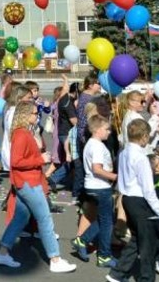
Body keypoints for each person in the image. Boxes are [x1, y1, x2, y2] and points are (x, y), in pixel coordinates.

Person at [0, 101, 76, 273]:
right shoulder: (21, 134)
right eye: (33, 113)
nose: (36, 115)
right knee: (45, 219)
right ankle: (55, 258)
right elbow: (16, 162)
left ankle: (2, 252)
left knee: (20, 219)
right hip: (28, 183)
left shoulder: (23, 132)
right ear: (24, 115)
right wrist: (41, 159)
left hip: (26, 182)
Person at [108, 119, 159, 282]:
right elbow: (148, 190)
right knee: (148, 243)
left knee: (137, 239)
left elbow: (122, 180)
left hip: (127, 199)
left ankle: (117, 273)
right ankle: (146, 278)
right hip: (139, 201)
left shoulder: (123, 152)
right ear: (144, 137)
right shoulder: (141, 158)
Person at [71, 115, 117, 268]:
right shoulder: (97, 146)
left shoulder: (91, 143)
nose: (109, 132)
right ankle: (104, 255)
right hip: (100, 187)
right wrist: (116, 177)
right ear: (97, 130)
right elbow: (97, 169)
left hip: (93, 186)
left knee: (106, 218)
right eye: (107, 129)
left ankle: (82, 240)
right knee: (107, 223)